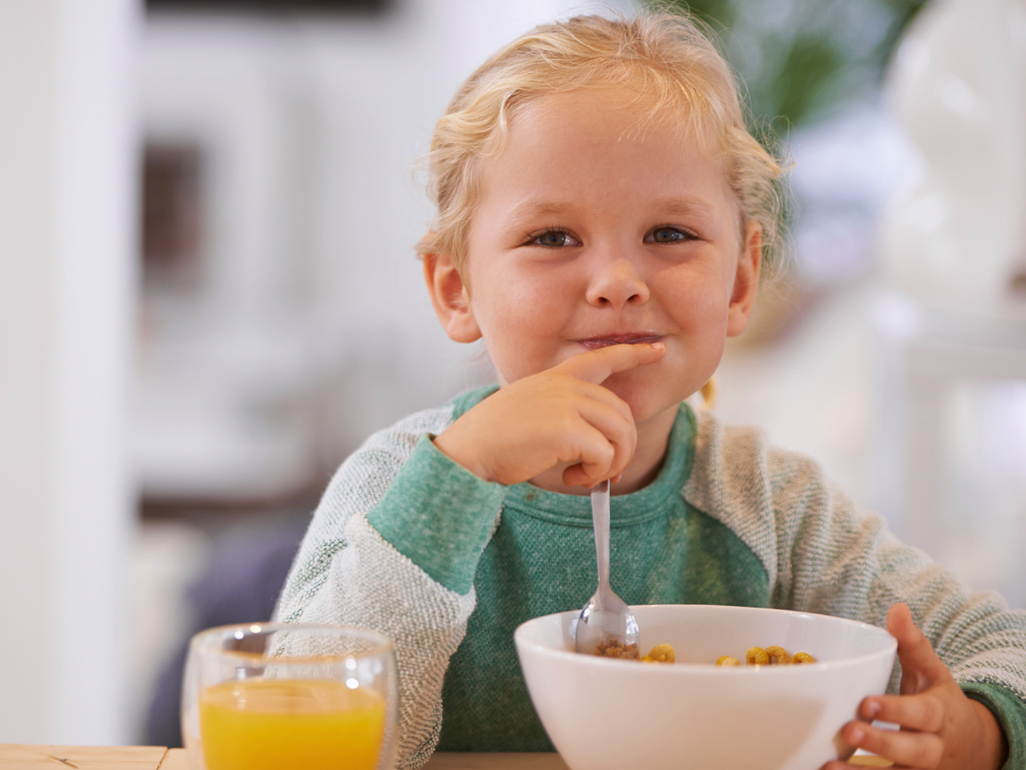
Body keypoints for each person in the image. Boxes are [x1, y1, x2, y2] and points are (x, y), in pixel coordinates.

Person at [274, 11, 1026, 770]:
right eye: (552, 238)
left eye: (669, 234)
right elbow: (294, 728)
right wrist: (457, 478)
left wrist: (979, 730)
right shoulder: (396, 483)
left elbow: (1001, 650)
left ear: (740, 280)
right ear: (455, 288)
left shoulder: (768, 503)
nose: (616, 284)